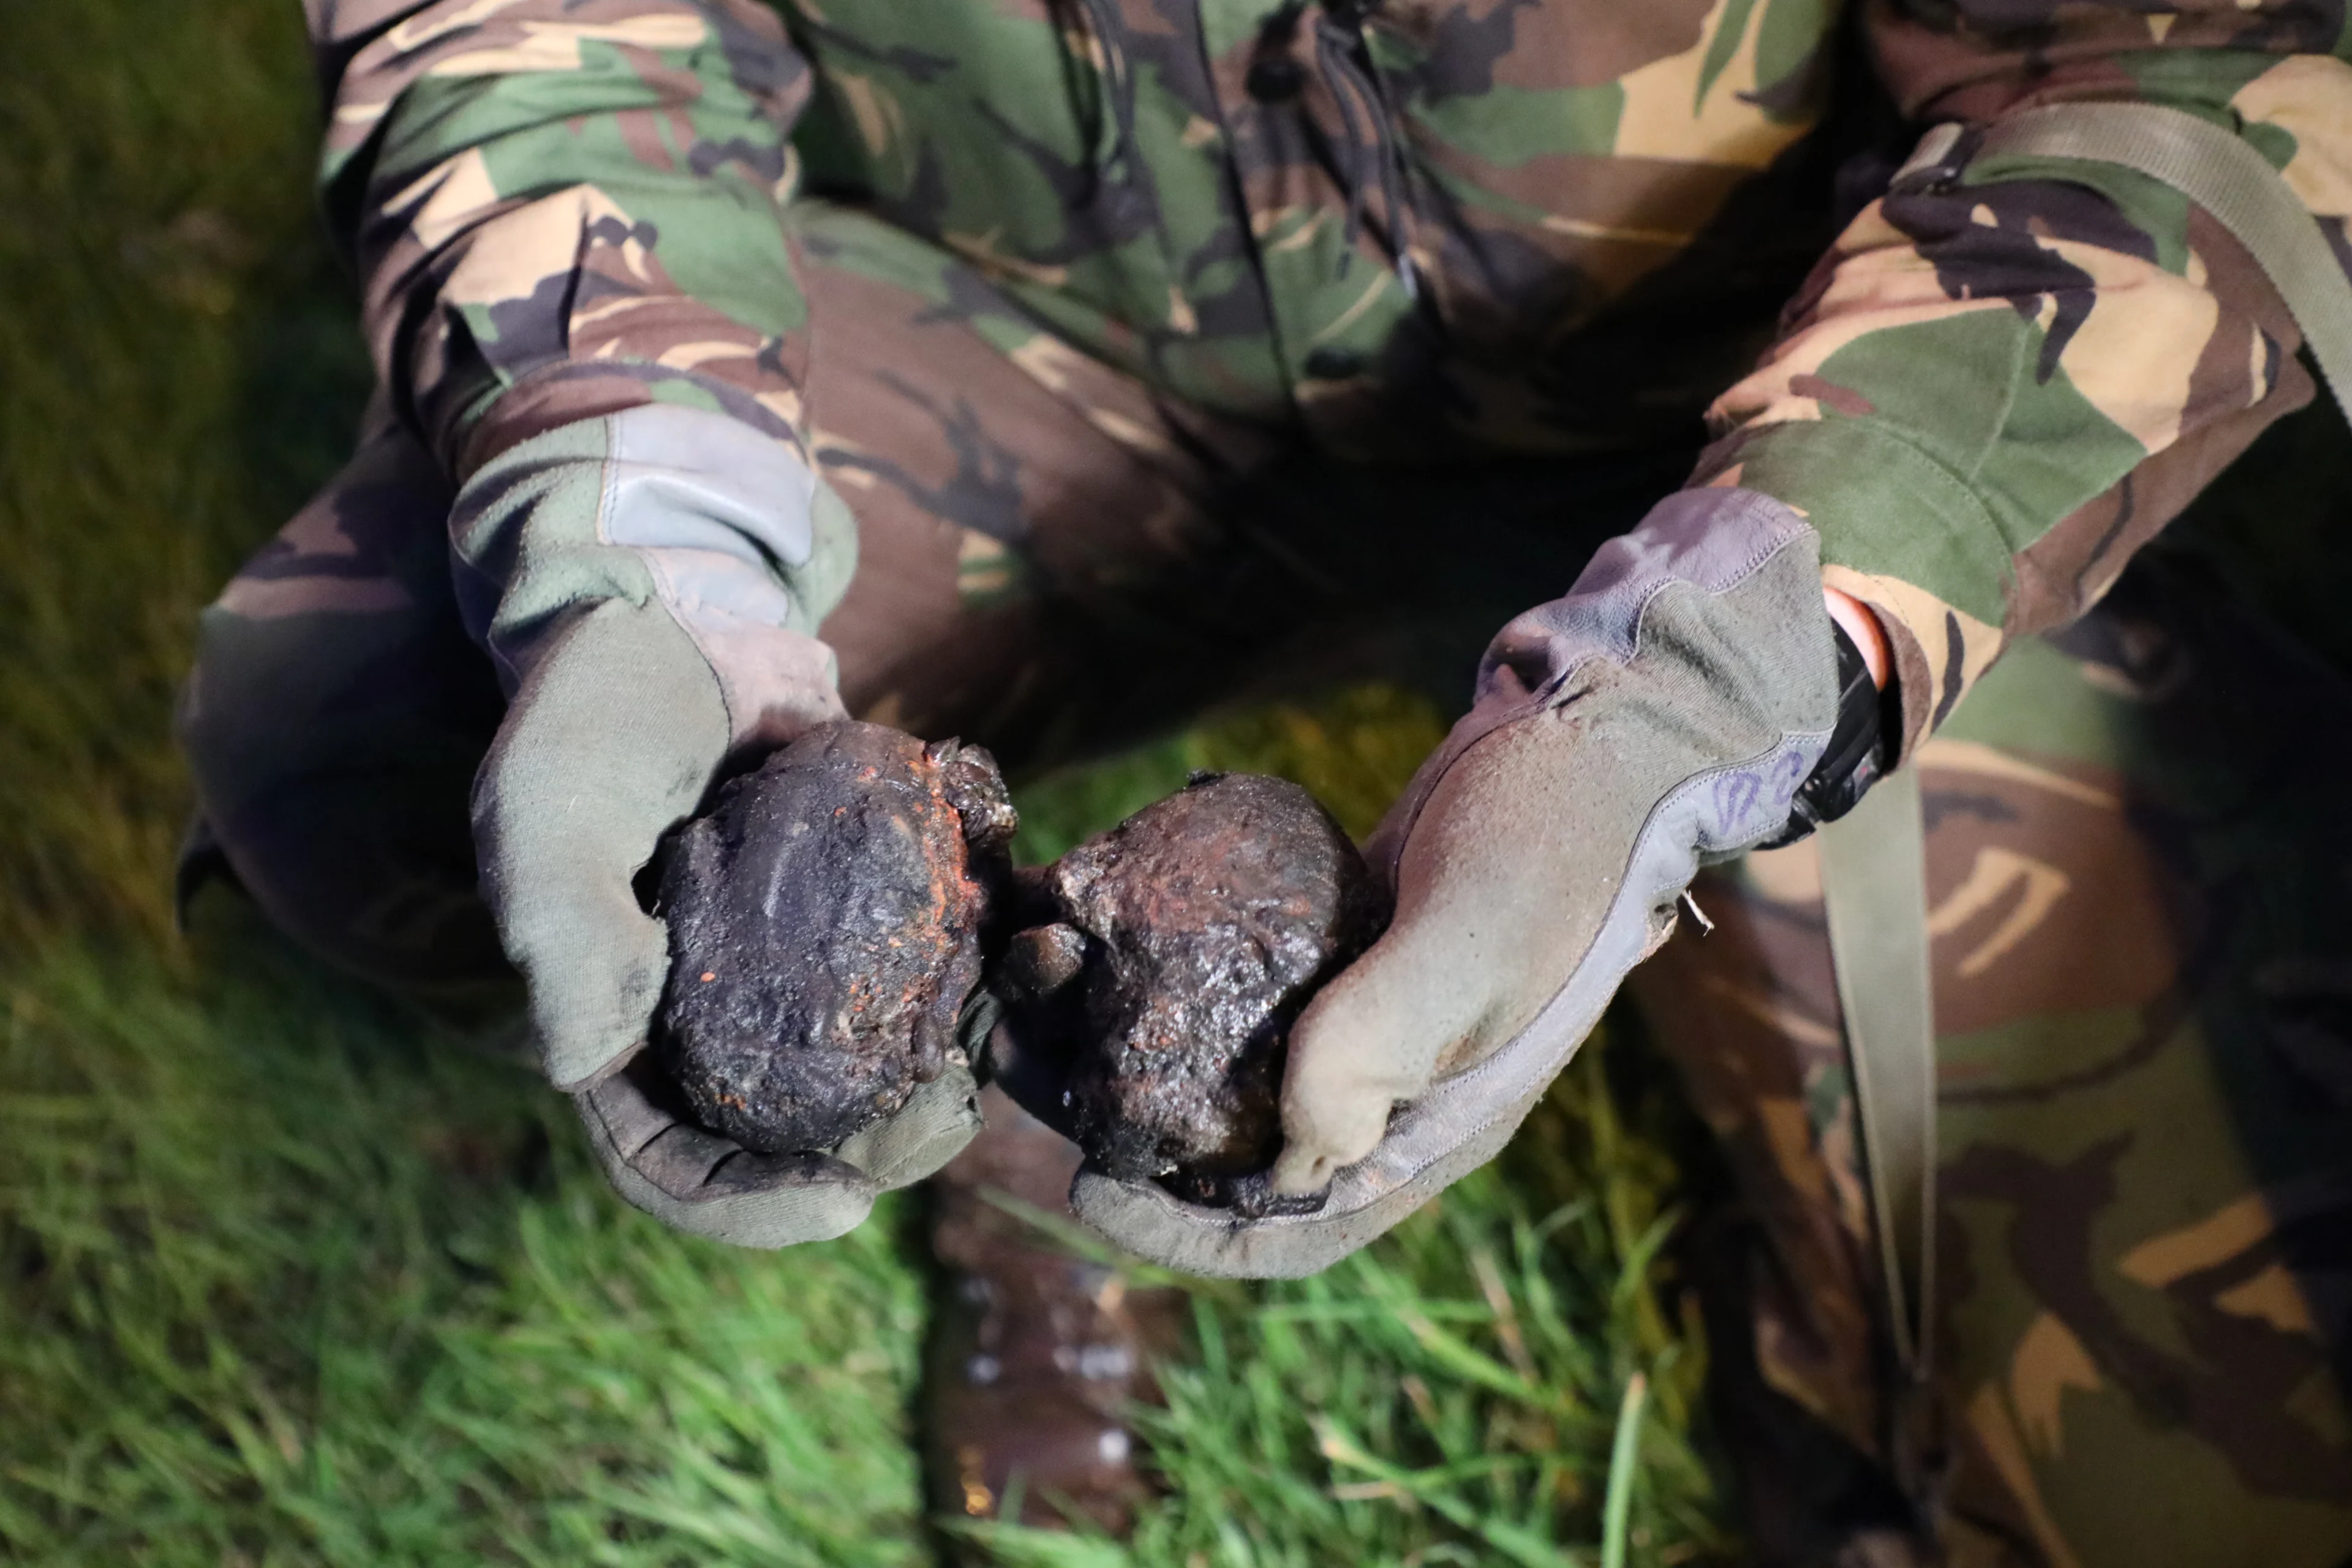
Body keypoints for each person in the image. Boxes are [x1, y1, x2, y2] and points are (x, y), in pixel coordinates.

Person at [176, 0, 2352, 1558]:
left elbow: (2197, 79)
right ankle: (1022, 1122)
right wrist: (643, 550)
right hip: (1044, 337)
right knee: (390, 738)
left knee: (2197, 1472)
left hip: (1735, 429)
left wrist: (1688, 697)